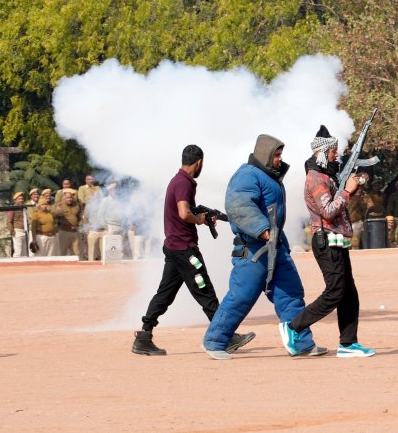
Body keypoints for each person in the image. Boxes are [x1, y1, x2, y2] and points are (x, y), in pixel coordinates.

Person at [202, 134, 327, 360]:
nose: (280, 159)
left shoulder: (268, 175)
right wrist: (262, 229)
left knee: (291, 294)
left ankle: (301, 344)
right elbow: (237, 204)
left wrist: (278, 241)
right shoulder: (246, 175)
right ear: (265, 154)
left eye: (280, 155)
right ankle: (215, 341)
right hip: (253, 251)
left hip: (276, 248)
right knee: (241, 296)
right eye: (277, 155)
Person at [133, 145, 255, 356]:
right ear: (198, 162)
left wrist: (202, 212)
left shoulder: (178, 180)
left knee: (164, 294)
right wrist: (199, 219)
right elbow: (183, 213)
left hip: (174, 248)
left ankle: (144, 336)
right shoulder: (183, 183)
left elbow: (186, 209)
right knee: (205, 291)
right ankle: (224, 336)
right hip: (184, 250)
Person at [278, 125, 375, 358]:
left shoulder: (328, 175)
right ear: (321, 152)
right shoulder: (316, 179)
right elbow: (329, 210)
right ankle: (293, 326)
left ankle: (348, 344)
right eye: (332, 151)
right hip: (326, 241)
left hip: (336, 241)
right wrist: (347, 191)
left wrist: (358, 180)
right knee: (335, 292)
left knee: (349, 294)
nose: (336, 155)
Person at [53, 188, 82, 257]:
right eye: (68, 198)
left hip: (75, 231)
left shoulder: (76, 205)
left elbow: (79, 216)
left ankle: (76, 267)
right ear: (64, 198)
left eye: (71, 197)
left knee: (76, 252)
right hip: (64, 231)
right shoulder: (59, 205)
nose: (70, 199)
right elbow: (54, 215)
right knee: (63, 252)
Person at [7, 191, 28, 257]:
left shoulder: (24, 208)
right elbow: (8, 221)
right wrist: (12, 231)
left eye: (22, 198)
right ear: (15, 200)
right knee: (18, 252)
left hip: (24, 231)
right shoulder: (12, 208)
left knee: (24, 252)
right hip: (17, 231)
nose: (21, 200)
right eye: (19, 199)